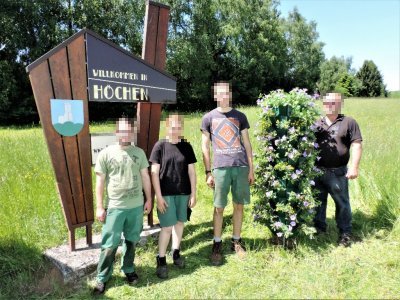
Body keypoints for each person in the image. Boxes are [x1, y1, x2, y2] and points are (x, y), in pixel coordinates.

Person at [93, 117, 152, 294]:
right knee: (109, 245)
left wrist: (149, 199)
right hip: (116, 207)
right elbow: (100, 182)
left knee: (132, 240)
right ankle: (102, 278)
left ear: (132, 132)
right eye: (122, 130)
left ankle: (128, 269)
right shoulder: (106, 154)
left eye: (129, 130)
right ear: (116, 132)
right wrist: (99, 206)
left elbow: (145, 177)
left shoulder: (139, 153)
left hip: (136, 206)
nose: (126, 134)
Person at [201, 81, 254, 266]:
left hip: (240, 167)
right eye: (219, 93)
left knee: (239, 205)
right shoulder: (208, 118)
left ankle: (236, 241)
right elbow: (204, 146)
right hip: (220, 168)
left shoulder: (240, 116)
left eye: (226, 93)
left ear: (229, 94)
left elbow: (247, 143)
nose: (223, 96)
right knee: (219, 207)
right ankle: (217, 243)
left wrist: (251, 169)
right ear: (215, 96)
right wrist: (208, 172)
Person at [149, 114, 197, 279]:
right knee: (167, 227)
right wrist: (158, 197)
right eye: (172, 126)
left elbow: (191, 171)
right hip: (166, 195)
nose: (175, 130)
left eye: (178, 127)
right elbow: (154, 173)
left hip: (184, 193)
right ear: (167, 126)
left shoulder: (186, 146)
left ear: (181, 128)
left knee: (179, 223)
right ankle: (161, 259)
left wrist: (194, 193)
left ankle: (175, 252)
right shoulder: (160, 146)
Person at [313, 92, 363, 247]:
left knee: (342, 203)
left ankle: (345, 233)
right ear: (323, 104)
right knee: (317, 202)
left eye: (334, 102)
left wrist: (354, 166)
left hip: (338, 172)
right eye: (327, 102)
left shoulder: (349, 122)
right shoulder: (315, 123)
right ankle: (319, 229)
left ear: (340, 104)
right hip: (316, 171)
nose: (330, 105)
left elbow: (356, 144)